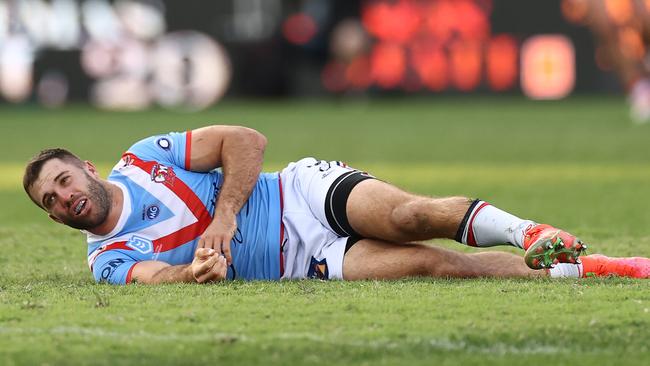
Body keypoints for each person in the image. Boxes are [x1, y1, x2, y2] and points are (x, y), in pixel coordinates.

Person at [22, 125, 649, 284]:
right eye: (50, 202)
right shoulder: (107, 258)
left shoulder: (146, 158)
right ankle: (589, 268)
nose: (63, 198)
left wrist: (226, 216)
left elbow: (247, 142)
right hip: (310, 264)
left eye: (62, 180)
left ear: (86, 167)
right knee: (431, 266)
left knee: (409, 217)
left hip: (302, 195)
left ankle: (526, 229)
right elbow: (158, 277)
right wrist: (194, 272)